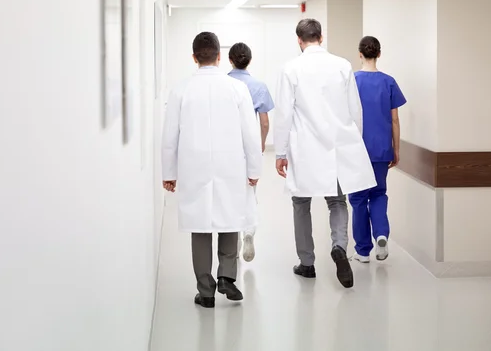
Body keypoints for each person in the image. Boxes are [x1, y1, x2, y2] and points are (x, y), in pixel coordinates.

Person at [161, 32, 262, 308]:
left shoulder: (181, 90)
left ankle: (205, 291)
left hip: (194, 165)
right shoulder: (237, 88)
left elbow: (170, 135)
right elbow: (250, 134)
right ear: (219, 57)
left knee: (200, 225)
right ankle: (227, 276)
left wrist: (169, 173)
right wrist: (254, 169)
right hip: (230, 164)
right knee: (230, 217)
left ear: (194, 58)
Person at [274, 19, 376, 289]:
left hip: (305, 148)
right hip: (338, 147)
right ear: (321, 37)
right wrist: (356, 145)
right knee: (337, 201)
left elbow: (284, 113)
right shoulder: (342, 65)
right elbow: (355, 110)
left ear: (299, 40)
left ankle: (307, 263)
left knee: (301, 204)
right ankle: (340, 247)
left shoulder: (291, 68)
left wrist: (280, 152)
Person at [348, 36, 406, 263]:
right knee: (379, 194)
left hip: (357, 150)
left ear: (360, 54)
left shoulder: (351, 82)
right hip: (382, 149)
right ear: (379, 54)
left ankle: (363, 251)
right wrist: (396, 149)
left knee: (359, 198)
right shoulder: (389, 82)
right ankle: (381, 233)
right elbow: (395, 120)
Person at [228, 42, 274, 263]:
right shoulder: (258, 86)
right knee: (250, 191)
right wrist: (261, 144)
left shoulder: (224, 84)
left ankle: (234, 236)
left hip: (227, 147)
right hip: (249, 147)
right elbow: (264, 123)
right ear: (250, 60)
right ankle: (249, 232)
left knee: (229, 192)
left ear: (229, 60)